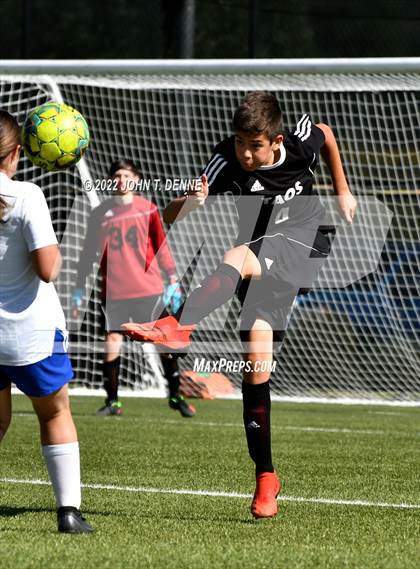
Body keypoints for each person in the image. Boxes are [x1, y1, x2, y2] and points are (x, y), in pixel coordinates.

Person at [121, 92, 357, 519]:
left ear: (276, 140)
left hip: (307, 242)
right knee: (256, 368)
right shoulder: (225, 159)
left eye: (255, 145)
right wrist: (189, 202)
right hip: (261, 262)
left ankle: (179, 324)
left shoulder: (299, 143)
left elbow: (326, 133)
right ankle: (266, 478)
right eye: (240, 143)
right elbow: (170, 216)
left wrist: (343, 191)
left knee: (237, 255)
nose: (245, 153)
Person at [0, 110, 93, 533]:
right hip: (31, 335)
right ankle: (68, 513)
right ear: (17, 152)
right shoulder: (28, 195)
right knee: (54, 414)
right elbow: (47, 269)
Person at [72, 159, 195, 417]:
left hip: (148, 290)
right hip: (114, 292)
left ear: (136, 179)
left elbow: (161, 246)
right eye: (117, 175)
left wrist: (173, 280)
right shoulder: (100, 214)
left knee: (164, 343)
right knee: (112, 341)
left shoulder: (147, 209)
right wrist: (79, 288)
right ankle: (112, 402)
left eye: (127, 175)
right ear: (111, 180)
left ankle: (176, 395)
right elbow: (88, 254)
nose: (121, 180)